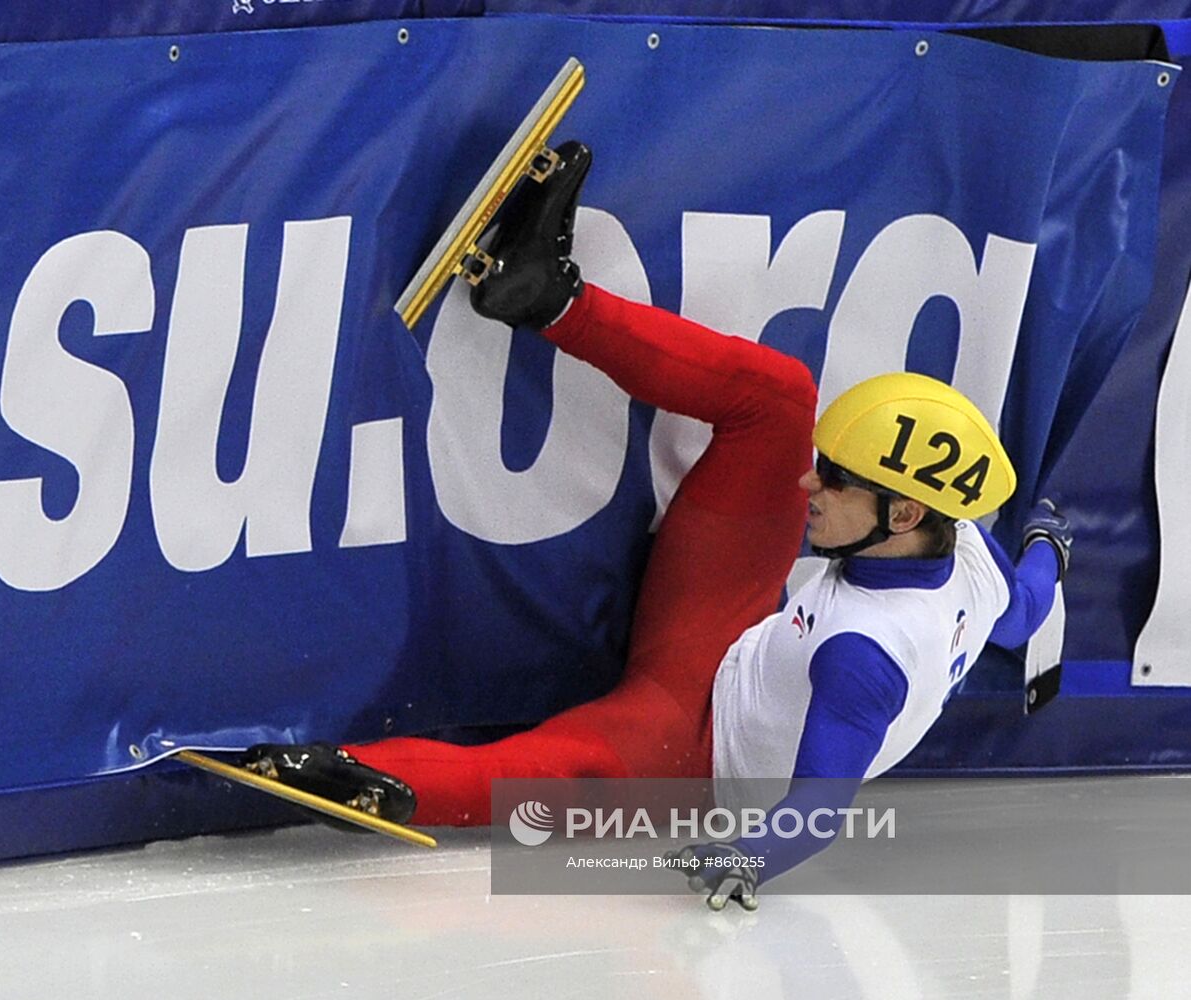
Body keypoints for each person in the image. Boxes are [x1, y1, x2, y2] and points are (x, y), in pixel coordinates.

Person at [242, 141, 1072, 909]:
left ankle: (353, 774)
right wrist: (1047, 542)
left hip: (698, 754)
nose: (807, 484)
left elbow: (818, 810)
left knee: (572, 767)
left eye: (835, 482)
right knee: (779, 400)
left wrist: (746, 858)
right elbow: (1025, 608)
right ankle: (545, 294)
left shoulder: (863, 656)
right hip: (736, 636)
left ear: (904, 511)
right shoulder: (968, 552)